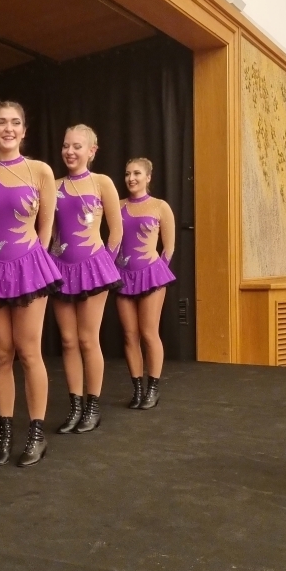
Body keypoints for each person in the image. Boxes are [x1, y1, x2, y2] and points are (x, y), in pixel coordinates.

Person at [0, 102, 61, 467]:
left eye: (15, 123)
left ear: (24, 131)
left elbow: (47, 224)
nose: (8, 128)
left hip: (28, 267)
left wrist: (36, 261)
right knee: (0, 352)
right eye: (1, 122)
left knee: (28, 350)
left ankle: (36, 434)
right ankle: (5, 433)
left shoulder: (40, 171)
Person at [50, 124, 122, 433]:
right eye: (66, 145)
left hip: (93, 267)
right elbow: (50, 231)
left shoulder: (102, 182)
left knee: (87, 339)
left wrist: (104, 264)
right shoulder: (54, 185)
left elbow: (116, 231)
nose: (70, 151)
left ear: (91, 151)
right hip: (61, 268)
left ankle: (92, 406)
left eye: (77, 146)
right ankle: (75, 406)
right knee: (68, 341)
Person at [115, 157, 176, 410]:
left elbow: (168, 248)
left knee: (149, 333)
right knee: (130, 335)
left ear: (148, 177)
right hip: (122, 276)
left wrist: (157, 273)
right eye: (128, 173)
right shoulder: (117, 205)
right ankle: (138, 388)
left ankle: (153, 388)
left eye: (137, 173)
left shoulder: (160, 206)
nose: (131, 178)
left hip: (151, 275)